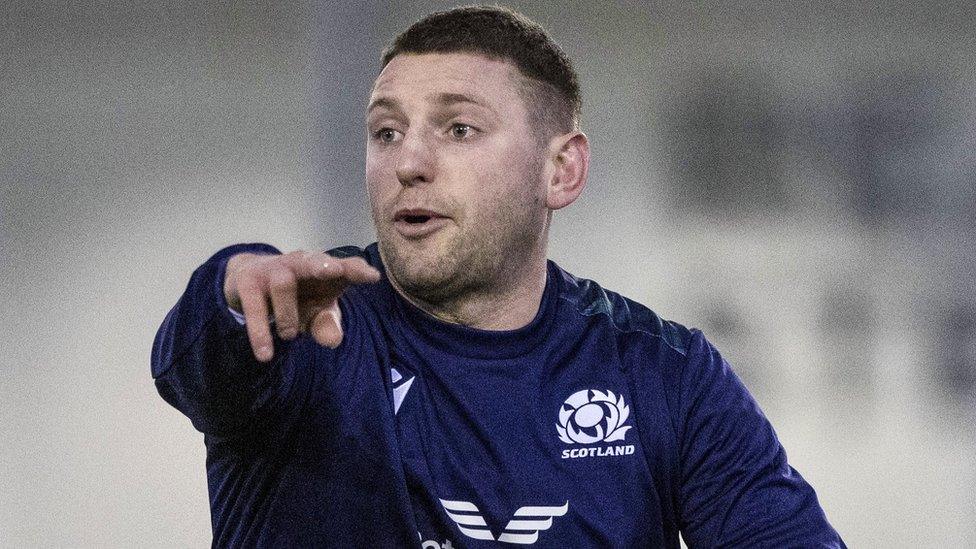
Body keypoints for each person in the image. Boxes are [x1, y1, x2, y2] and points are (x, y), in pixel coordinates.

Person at [152, 6, 846, 548]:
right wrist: (232, 288)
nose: (408, 163)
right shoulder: (314, 327)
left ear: (561, 169)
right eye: (386, 132)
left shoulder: (664, 372)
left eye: (458, 129)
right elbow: (197, 360)